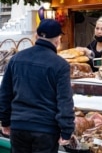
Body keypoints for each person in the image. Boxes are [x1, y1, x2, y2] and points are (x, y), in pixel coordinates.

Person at [0, 19, 75, 153]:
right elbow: (65, 101)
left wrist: (5, 121)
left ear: (36, 36)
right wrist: (66, 130)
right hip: (46, 130)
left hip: (19, 126)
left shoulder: (16, 59)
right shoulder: (60, 65)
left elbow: (5, 94)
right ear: (58, 40)